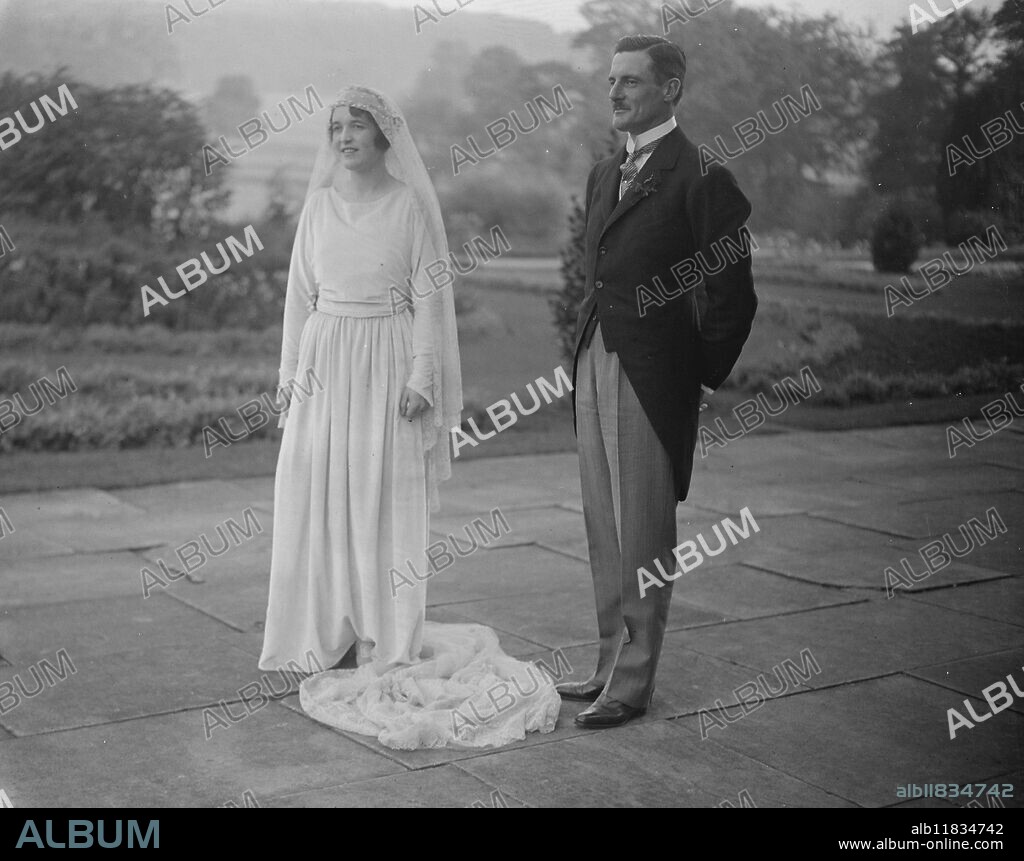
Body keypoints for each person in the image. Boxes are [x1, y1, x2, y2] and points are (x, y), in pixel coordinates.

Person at [258, 86, 559, 750]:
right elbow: (297, 301)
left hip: (387, 363)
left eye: (357, 125)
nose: (344, 137)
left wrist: (422, 375)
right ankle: (326, 632)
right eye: (335, 127)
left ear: (384, 135)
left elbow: (428, 297)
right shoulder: (316, 210)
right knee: (317, 498)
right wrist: (289, 376)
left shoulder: (407, 208)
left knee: (382, 499)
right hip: (325, 360)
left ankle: (384, 635)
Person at [558, 36, 758, 728]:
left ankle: (633, 684)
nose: (615, 92)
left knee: (642, 531)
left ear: (670, 89)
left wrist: (692, 370)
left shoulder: (701, 177)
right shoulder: (603, 172)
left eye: (632, 82)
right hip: (595, 361)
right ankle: (609, 662)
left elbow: (734, 296)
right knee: (604, 528)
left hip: (649, 375)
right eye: (611, 80)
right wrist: (583, 352)